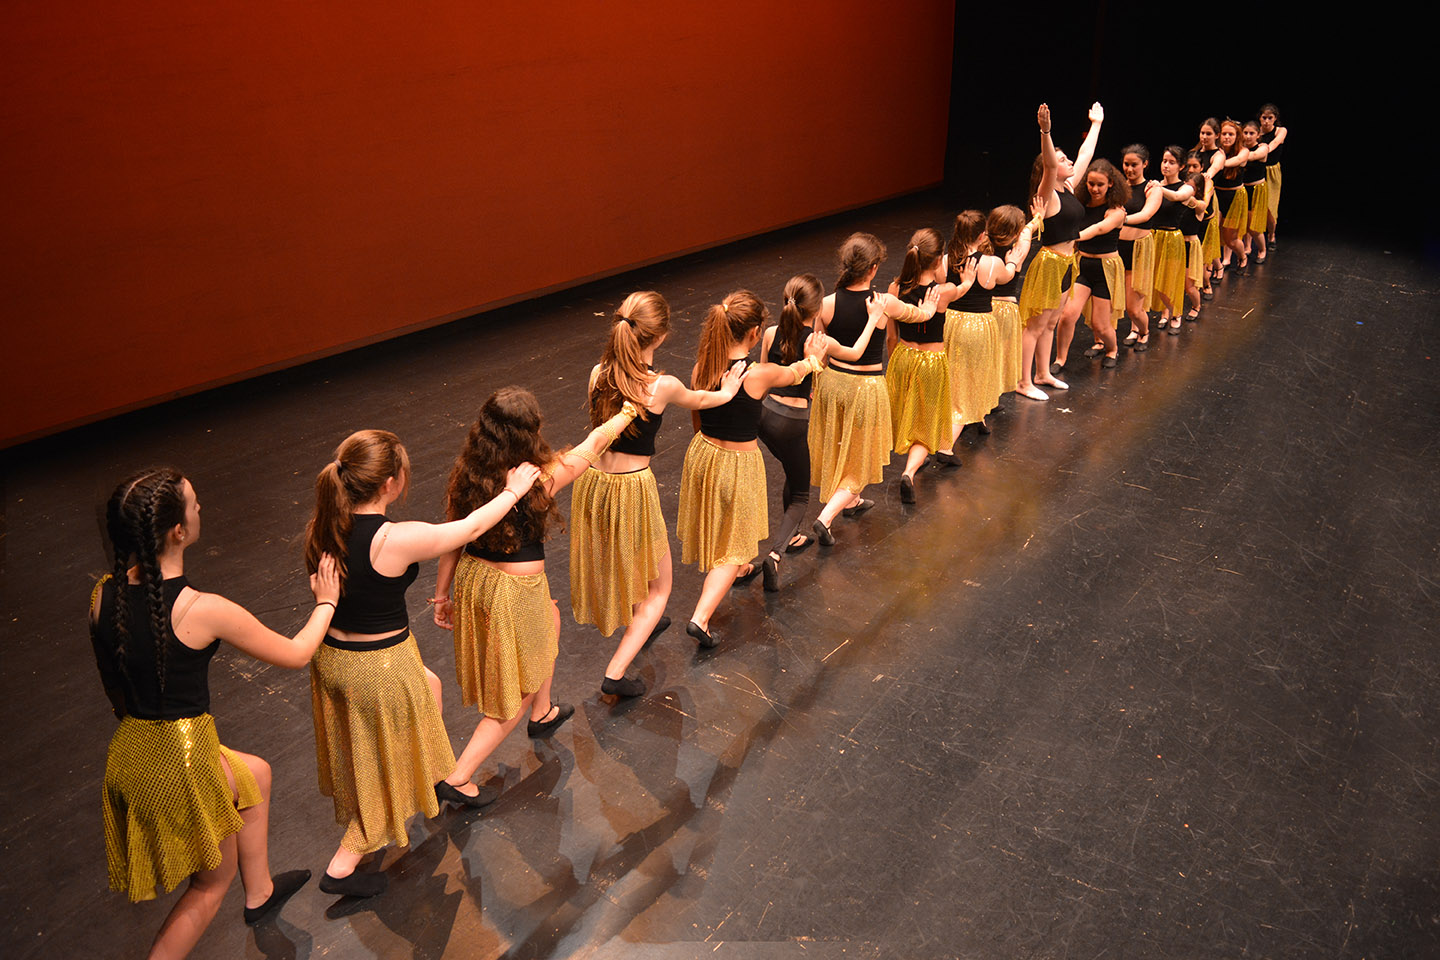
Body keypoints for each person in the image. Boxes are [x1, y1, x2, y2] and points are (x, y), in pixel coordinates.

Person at [91, 468, 339, 957]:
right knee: (207, 886)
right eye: (195, 504)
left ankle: (260, 892)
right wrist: (327, 602)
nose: (201, 509)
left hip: (131, 749)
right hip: (179, 759)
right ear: (178, 531)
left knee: (256, 776)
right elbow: (296, 653)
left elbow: (112, 686)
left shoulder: (103, 594)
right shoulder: (202, 609)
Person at [303, 429, 539, 898]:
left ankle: (436, 778)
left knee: (428, 686)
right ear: (391, 483)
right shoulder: (392, 538)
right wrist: (514, 491)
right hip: (378, 666)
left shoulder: (324, 525)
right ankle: (344, 864)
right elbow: (469, 529)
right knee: (383, 763)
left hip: (334, 658)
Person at [434, 392, 636, 789]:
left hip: (476, 580)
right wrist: (628, 411)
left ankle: (543, 712)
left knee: (552, 616)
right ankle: (458, 776)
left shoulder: (467, 475)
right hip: (514, 591)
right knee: (518, 691)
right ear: (531, 433)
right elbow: (593, 445)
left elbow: (454, 539)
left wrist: (442, 595)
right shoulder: (538, 477)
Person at [572, 292, 744, 697]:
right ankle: (616, 669)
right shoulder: (661, 386)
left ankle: (643, 619)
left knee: (628, 556)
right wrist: (729, 390)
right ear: (661, 336)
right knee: (660, 588)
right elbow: (701, 400)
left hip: (594, 484)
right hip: (632, 489)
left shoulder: (598, 373)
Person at [678, 290, 845, 645]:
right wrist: (814, 357)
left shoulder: (701, 367)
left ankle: (739, 569)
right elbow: (796, 371)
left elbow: (697, 414)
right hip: (737, 463)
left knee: (723, 527)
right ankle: (701, 617)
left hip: (704, 453)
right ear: (754, 333)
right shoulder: (759, 375)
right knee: (735, 543)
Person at [809, 234, 939, 546]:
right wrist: (931, 309)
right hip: (864, 387)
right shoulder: (883, 303)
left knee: (842, 445)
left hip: (832, 383)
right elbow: (917, 315)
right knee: (862, 458)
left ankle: (851, 502)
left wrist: (815, 383)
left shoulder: (825, 305)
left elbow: (815, 349)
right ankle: (826, 517)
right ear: (873, 269)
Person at [757, 274, 874, 590]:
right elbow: (854, 353)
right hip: (792, 422)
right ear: (816, 308)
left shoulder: (769, 333)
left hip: (765, 418)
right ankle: (776, 554)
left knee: (790, 471)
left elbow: (763, 373)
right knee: (800, 494)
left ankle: (793, 535)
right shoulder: (818, 341)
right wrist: (873, 319)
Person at [1018, 101, 1104, 399]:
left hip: (1069, 263)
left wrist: (1096, 123)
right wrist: (1046, 130)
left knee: (1052, 322)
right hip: (1050, 263)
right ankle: (1024, 381)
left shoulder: (1067, 188)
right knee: (1036, 324)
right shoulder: (1048, 192)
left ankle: (1043, 374)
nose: (1067, 161)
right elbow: (1052, 163)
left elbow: (1085, 154)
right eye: (1061, 159)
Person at [885, 229, 964, 503]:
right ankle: (909, 471)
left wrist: (894, 362)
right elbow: (963, 288)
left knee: (906, 411)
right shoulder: (944, 291)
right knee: (926, 420)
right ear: (938, 260)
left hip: (904, 356)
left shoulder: (895, 288)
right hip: (931, 362)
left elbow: (891, 336)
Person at [1070, 159, 1130, 365]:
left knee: (1101, 324)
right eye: (1090, 183)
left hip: (1105, 269)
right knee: (1068, 314)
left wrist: (1072, 236)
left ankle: (1112, 350)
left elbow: (1099, 229)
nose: (1094, 189)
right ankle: (1060, 359)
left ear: (1111, 184)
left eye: (1100, 185)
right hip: (1084, 266)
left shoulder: (1116, 211)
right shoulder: (1081, 205)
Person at [987, 203, 1043, 397]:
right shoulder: (1017, 251)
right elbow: (1027, 234)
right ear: (1016, 231)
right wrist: (1037, 218)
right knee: (1000, 355)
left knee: (985, 357)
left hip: (983, 309)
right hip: (1004, 310)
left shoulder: (982, 247)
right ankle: (992, 396)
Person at [1118, 145, 1161, 351]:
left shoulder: (1152, 188)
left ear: (1145, 164)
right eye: (1126, 164)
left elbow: (1145, 215)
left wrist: (1119, 220)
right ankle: (1133, 330)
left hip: (1139, 249)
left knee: (1133, 307)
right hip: (1116, 249)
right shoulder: (1118, 187)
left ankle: (1143, 331)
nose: (1129, 169)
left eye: (1134, 165)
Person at [1150, 146, 1197, 332]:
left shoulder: (1185, 188)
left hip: (1172, 238)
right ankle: (1164, 313)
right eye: (1164, 161)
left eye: (1171, 162)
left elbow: (1177, 197)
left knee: (1169, 279)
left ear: (1181, 166)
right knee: (1154, 280)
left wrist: (1157, 188)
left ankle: (1175, 313)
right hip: (1154, 237)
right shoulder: (1156, 185)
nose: (1166, 166)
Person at [1214, 119, 1252, 275]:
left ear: (1237, 136)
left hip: (1234, 197)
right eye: (1224, 134)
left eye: (1231, 134)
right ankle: (1217, 265)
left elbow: (1236, 161)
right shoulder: (1216, 151)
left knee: (1230, 238)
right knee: (1214, 232)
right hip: (1217, 195)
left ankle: (1242, 257)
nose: (1227, 137)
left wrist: (1217, 163)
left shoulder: (1243, 151)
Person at [1240, 121, 1272, 263]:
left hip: (1257, 190)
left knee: (1253, 226)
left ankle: (1262, 249)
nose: (1248, 136)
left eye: (1251, 133)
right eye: (1245, 133)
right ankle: (1247, 247)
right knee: (1243, 224)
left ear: (1258, 135)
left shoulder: (1263, 148)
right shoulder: (1240, 149)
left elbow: (1251, 157)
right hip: (1242, 190)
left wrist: (1232, 157)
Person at [1258, 103, 1288, 247]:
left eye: (1270, 118)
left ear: (1275, 118)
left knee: (1271, 207)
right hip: (1257, 170)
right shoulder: (1255, 131)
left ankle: (1271, 234)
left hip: (1272, 172)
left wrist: (1261, 150)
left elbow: (1274, 144)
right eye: (1264, 118)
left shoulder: (1280, 131)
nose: (1266, 121)